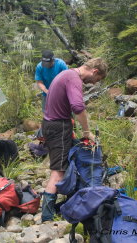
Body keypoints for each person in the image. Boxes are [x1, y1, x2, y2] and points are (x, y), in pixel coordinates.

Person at [41, 57, 108, 222]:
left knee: (66, 163)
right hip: (58, 127)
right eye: (97, 79)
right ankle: (47, 217)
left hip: (54, 124)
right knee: (58, 171)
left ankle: (68, 201)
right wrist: (86, 132)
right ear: (95, 71)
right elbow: (78, 107)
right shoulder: (74, 79)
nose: (94, 83)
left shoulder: (67, 74)